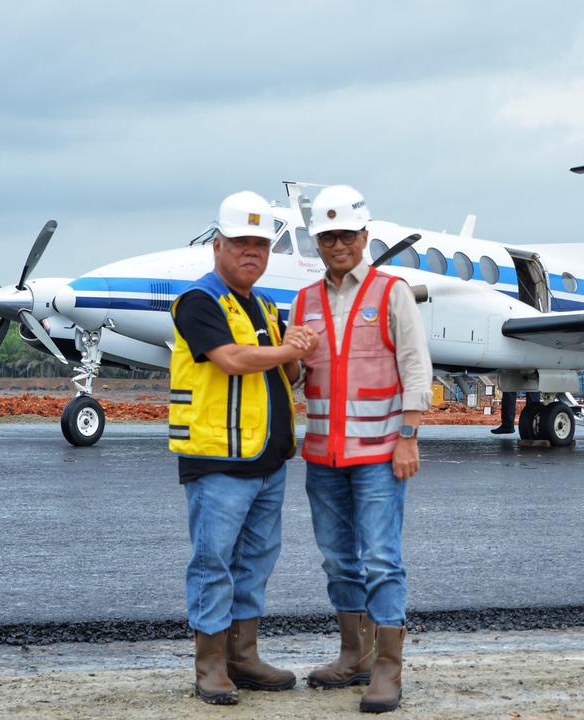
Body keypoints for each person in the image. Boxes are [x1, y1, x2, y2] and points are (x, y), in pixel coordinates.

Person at [168, 190, 320, 706]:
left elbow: (287, 373)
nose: (251, 253)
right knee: (214, 561)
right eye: (240, 244)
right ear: (218, 246)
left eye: (260, 244)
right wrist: (286, 348)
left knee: (256, 559)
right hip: (217, 460)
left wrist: (299, 352)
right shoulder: (199, 302)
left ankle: (244, 656)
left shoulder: (263, 305)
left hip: (267, 460)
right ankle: (210, 664)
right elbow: (231, 359)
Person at [291, 185, 433, 714]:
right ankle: (354, 654)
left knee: (380, 559)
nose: (337, 244)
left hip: (379, 453)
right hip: (324, 454)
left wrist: (408, 436)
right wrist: (288, 357)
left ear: (364, 237)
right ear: (317, 242)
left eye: (346, 235)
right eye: (327, 236)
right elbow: (296, 374)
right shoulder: (304, 301)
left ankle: (388, 670)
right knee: (337, 561)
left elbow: (416, 366)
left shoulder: (390, 291)